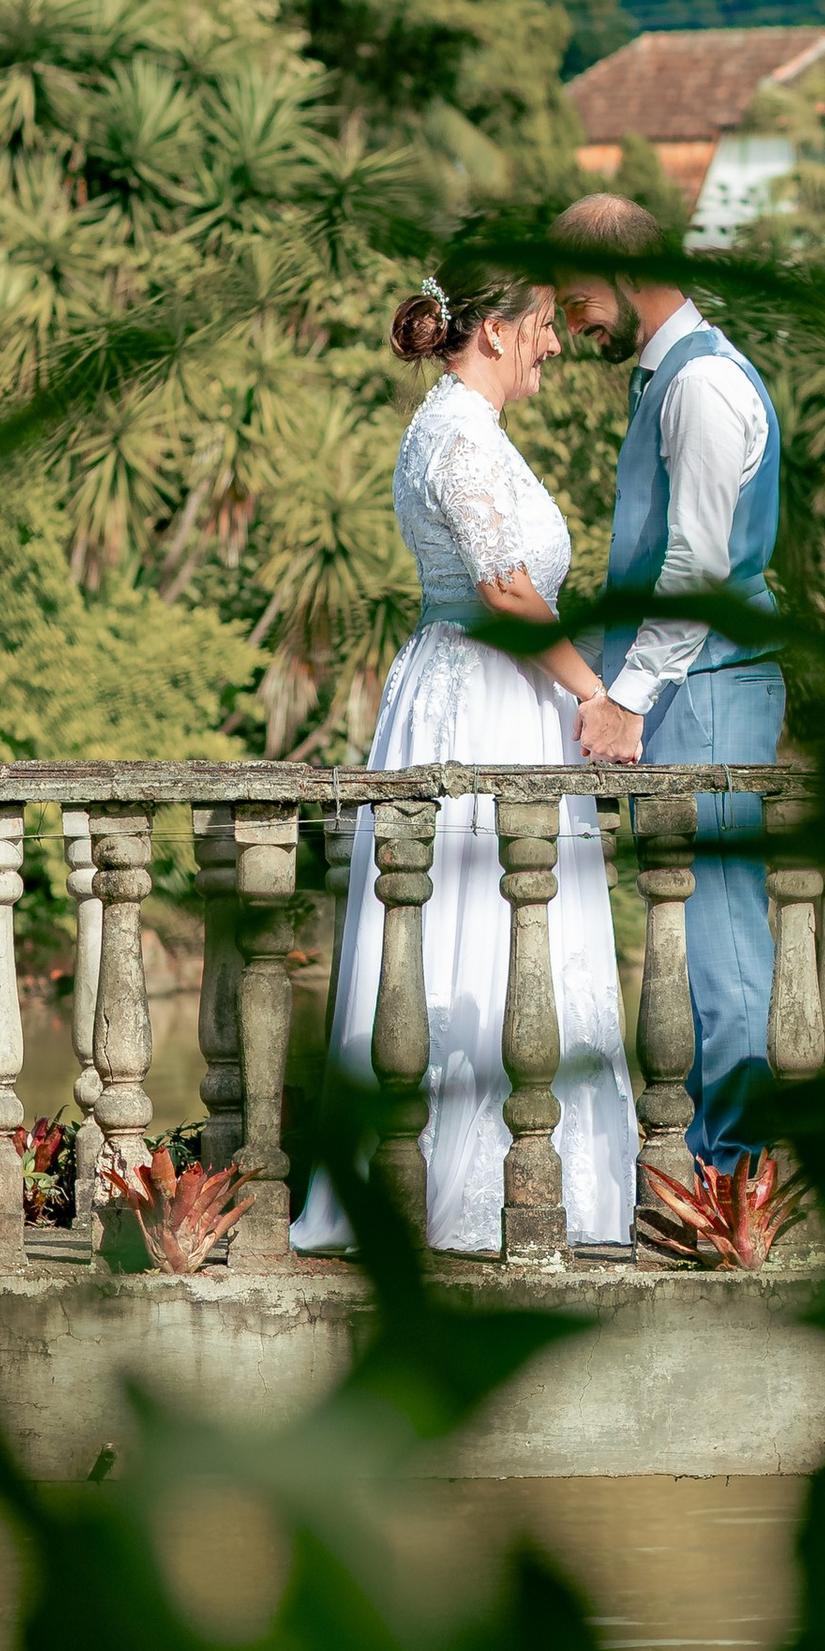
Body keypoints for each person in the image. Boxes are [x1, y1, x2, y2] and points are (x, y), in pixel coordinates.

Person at [292, 261, 638, 1257]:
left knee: (504, 922)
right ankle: (460, 1184)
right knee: (466, 918)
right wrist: (596, 696)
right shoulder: (455, 436)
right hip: (478, 704)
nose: (554, 342)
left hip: (492, 696)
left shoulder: (465, 431)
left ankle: (529, 1170)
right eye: (540, 325)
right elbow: (507, 591)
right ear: (490, 331)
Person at [552, 192, 784, 1167]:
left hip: (711, 691)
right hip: (693, 690)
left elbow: (696, 566)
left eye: (574, 301)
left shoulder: (699, 387)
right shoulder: (669, 379)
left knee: (721, 936)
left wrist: (625, 699)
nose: (570, 323)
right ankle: (710, 1159)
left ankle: (735, 1176)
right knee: (691, 934)